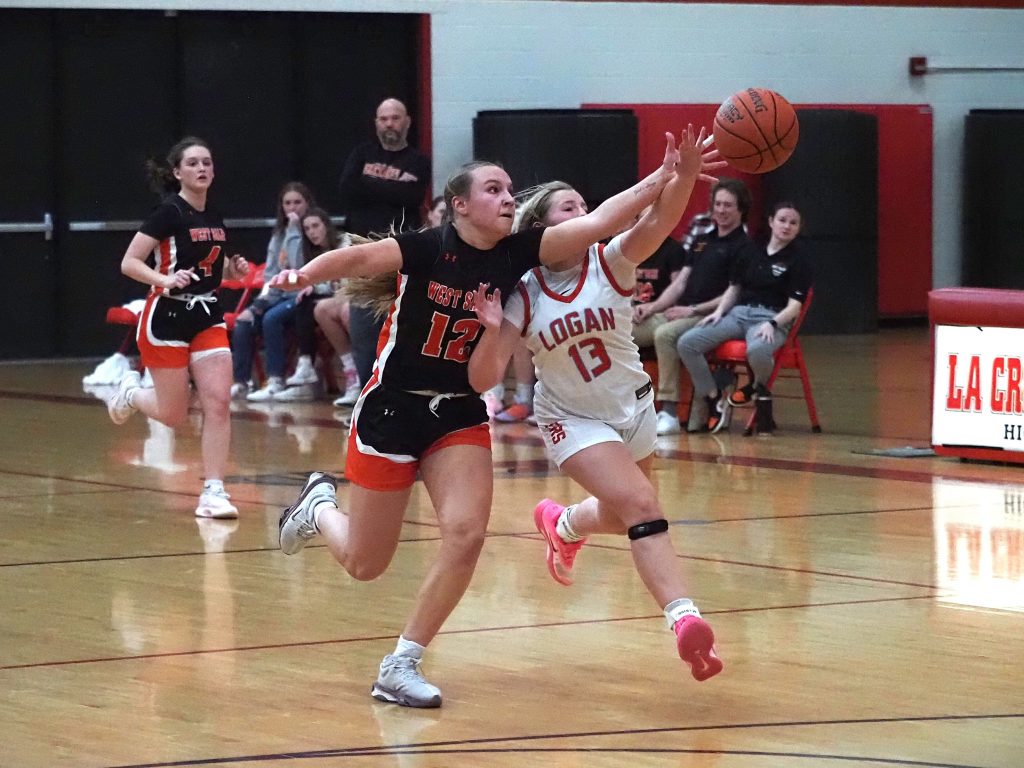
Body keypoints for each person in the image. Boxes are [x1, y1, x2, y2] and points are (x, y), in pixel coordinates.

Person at [271, 135, 683, 708]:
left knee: (465, 535)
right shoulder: (424, 248)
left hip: (457, 411)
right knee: (367, 563)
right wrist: (301, 275)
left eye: (511, 189)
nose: (508, 197)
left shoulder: (519, 253)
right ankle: (318, 508)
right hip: (392, 408)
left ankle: (401, 663)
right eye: (494, 189)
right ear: (460, 204)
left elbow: (599, 223)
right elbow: (359, 259)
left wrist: (662, 177)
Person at [467, 125, 725, 684]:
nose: (585, 212)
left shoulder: (610, 261)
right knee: (643, 507)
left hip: (632, 407)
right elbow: (484, 376)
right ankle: (685, 621)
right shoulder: (525, 290)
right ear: (543, 227)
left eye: (586, 204)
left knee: (620, 512)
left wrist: (681, 175)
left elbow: (660, 221)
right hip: (571, 419)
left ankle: (563, 525)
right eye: (570, 207)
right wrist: (491, 332)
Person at [107, 136, 249, 519]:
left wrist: (231, 270)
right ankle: (132, 393)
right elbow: (130, 262)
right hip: (166, 315)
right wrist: (163, 280)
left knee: (219, 401)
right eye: (193, 163)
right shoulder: (168, 212)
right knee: (173, 415)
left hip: (206, 315)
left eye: (207, 162)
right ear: (177, 172)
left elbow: (210, 269)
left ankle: (214, 491)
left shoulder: (214, 215)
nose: (202, 168)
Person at [633, 178, 756, 434]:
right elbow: (680, 284)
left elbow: (733, 295)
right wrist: (652, 307)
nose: (721, 210)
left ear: (741, 209)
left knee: (665, 335)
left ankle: (667, 411)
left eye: (728, 205)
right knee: (624, 331)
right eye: (718, 204)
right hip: (679, 311)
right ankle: (620, 405)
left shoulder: (744, 247)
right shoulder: (702, 239)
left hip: (712, 315)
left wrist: (693, 310)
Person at [678, 202, 812, 435]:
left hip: (771, 317)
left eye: (793, 223)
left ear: (798, 228)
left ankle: (756, 385)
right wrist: (718, 312)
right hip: (739, 313)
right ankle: (713, 397)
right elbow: (734, 288)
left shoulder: (799, 260)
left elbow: (795, 306)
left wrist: (773, 324)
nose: (786, 226)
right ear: (771, 222)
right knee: (687, 343)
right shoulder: (751, 250)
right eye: (782, 220)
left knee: (758, 350)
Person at [338, 98, 432, 390]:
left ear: (407, 122)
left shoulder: (419, 161)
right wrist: (393, 190)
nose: (389, 123)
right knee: (363, 330)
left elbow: (412, 197)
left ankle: (400, 392)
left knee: (402, 328)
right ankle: (366, 392)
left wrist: (371, 188)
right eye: (383, 118)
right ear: (376, 123)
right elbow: (346, 189)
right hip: (363, 255)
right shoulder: (361, 153)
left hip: (401, 256)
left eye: (395, 117)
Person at [229, 182, 314, 401]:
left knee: (270, 319)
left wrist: (295, 230)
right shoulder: (278, 235)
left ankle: (276, 380)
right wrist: (259, 303)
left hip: (303, 296)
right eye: (287, 203)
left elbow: (298, 266)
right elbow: (271, 274)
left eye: (297, 202)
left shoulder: (313, 229)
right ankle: (242, 382)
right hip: (279, 295)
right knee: (244, 321)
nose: (292, 208)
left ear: (307, 204)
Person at [275, 208, 357, 402]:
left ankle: (306, 364)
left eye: (315, 226)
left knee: (312, 303)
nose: (312, 232)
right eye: (307, 228)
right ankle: (349, 371)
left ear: (326, 225)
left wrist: (315, 286)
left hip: (354, 294)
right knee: (307, 302)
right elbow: (291, 269)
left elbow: (343, 277)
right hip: (333, 297)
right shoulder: (310, 251)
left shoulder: (344, 241)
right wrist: (293, 231)